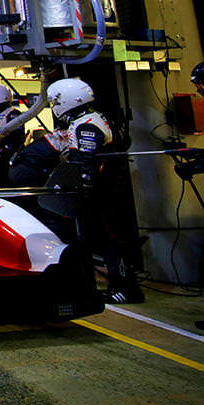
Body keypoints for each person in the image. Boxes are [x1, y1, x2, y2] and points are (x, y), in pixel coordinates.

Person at [45, 77, 142, 304]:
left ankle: (125, 288)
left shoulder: (86, 125)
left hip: (102, 192)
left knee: (110, 240)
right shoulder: (93, 118)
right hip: (108, 188)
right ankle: (118, 285)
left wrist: (82, 190)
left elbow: (86, 163)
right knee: (107, 239)